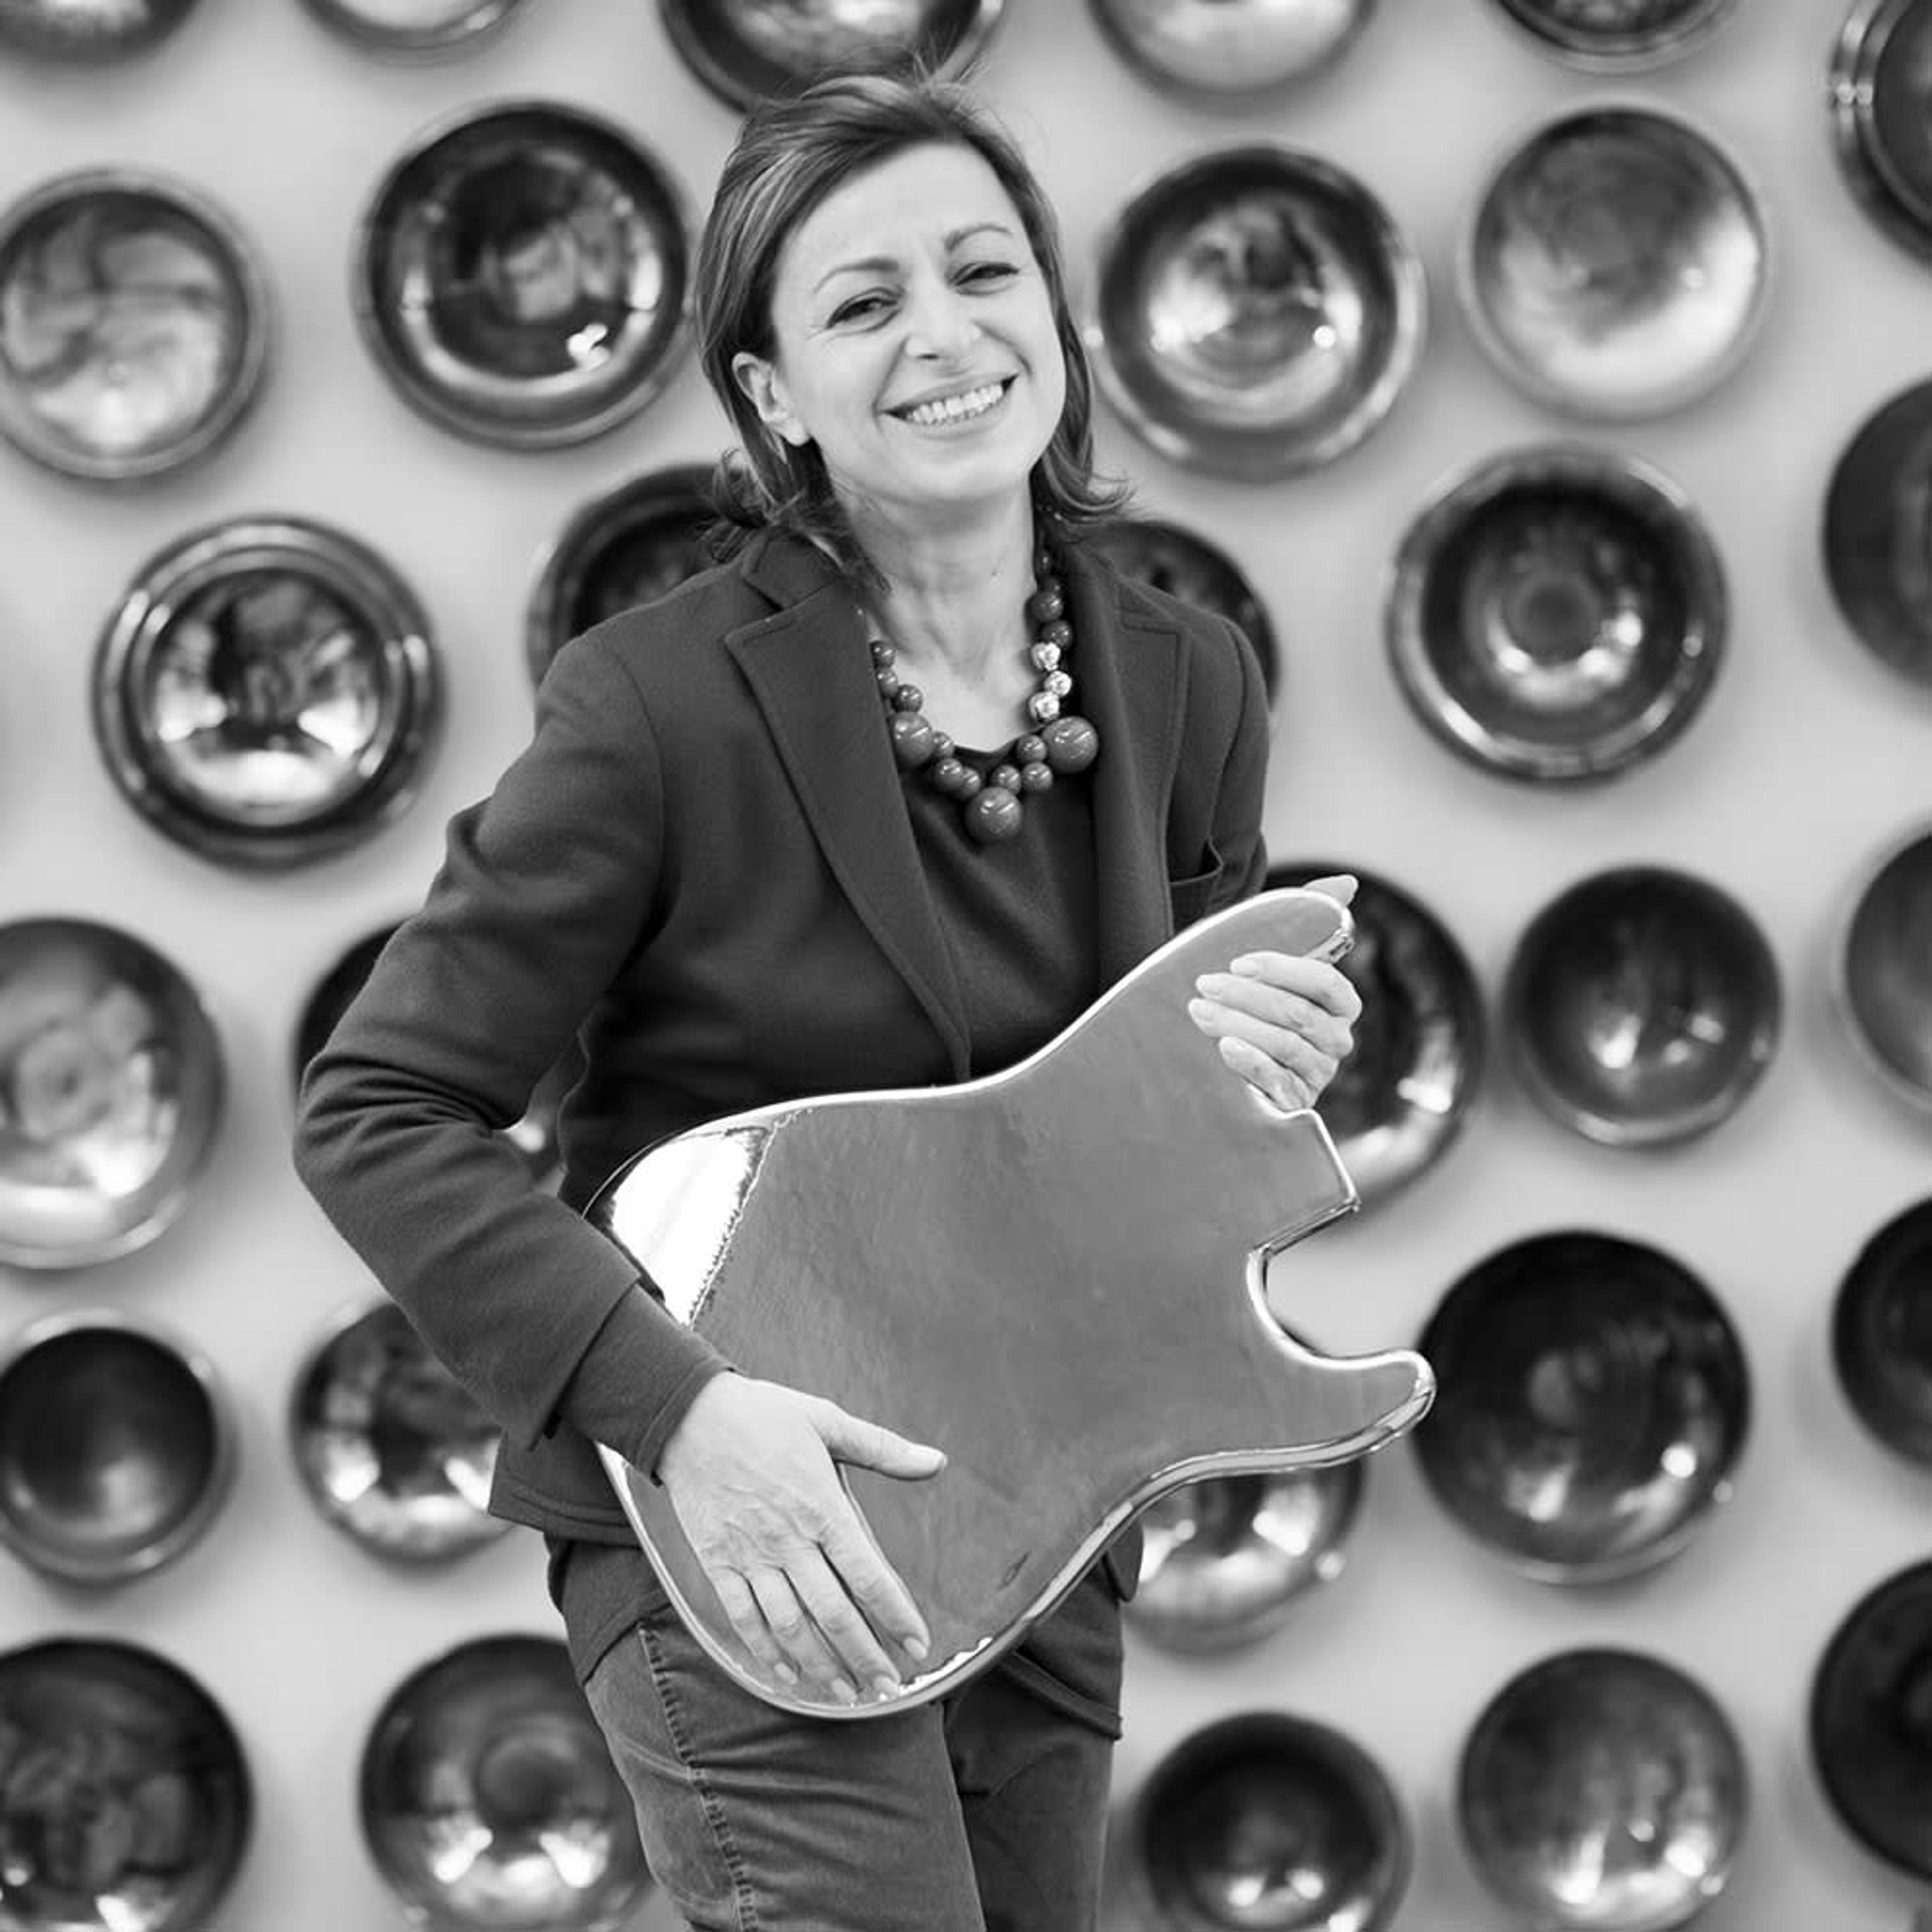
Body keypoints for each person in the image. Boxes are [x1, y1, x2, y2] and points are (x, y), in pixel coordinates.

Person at [293, 65, 1362, 1932]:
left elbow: (1134, 1132)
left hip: (1040, 1508)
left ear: (1054, 315)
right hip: (735, 1518)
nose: (945, 334)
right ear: (773, 393)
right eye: (865, 303)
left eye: (984, 271)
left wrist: (1259, 1064)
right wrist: (682, 1417)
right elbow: (378, 1110)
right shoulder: (654, 705)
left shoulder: (1191, 680)